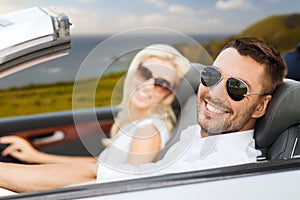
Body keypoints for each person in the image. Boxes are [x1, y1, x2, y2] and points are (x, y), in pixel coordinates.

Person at [0, 37, 287, 193]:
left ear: (261, 106)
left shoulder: (229, 170)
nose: (216, 94)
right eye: (211, 76)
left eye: (237, 88)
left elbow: (97, 173)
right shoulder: (194, 137)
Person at [0, 44, 190, 166]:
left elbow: (126, 190)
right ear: (133, 72)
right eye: (145, 73)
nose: (148, 86)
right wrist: (36, 157)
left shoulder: (148, 134)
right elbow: (101, 166)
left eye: (162, 84)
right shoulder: (136, 123)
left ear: (169, 94)